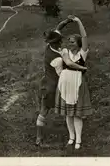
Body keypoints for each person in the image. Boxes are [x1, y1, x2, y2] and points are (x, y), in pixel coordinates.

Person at [35, 18, 87, 146]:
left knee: (45, 110)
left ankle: (70, 134)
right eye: (60, 41)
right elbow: (62, 74)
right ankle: (39, 138)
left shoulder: (50, 47)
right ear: (56, 43)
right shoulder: (57, 58)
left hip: (45, 82)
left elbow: (58, 28)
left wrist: (66, 22)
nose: (62, 43)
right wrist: (81, 68)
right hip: (52, 86)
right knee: (45, 110)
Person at [54, 16, 91, 150]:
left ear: (79, 43)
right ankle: (71, 136)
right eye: (69, 41)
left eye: (73, 42)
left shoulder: (83, 53)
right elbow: (55, 34)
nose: (70, 44)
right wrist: (82, 68)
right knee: (68, 113)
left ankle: (78, 139)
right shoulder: (65, 51)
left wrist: (78, 21)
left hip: (78, 83)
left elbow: (85, 36)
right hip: (65, 81)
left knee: (77, 113)